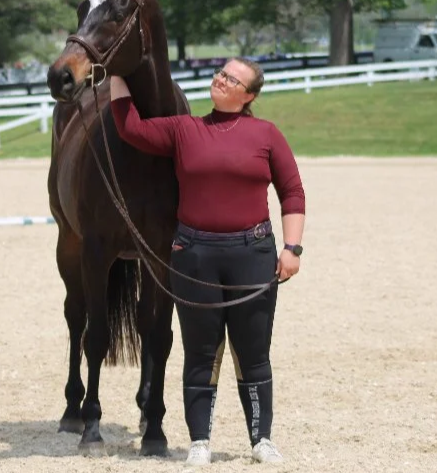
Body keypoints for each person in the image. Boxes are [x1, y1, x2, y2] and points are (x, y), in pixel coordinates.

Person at [108, 57, 306, 465]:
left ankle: (261, 439)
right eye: (221, 73)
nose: (221, 79)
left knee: (253, 353)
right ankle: (199, 441)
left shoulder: (266, 134)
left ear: (248, 96)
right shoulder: (185, 129)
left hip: (253, 254)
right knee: (200, 352)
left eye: (232, 78)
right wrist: (116, 72)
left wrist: (292, 248)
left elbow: (292, 191)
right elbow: (131, 128)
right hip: (194, 256)